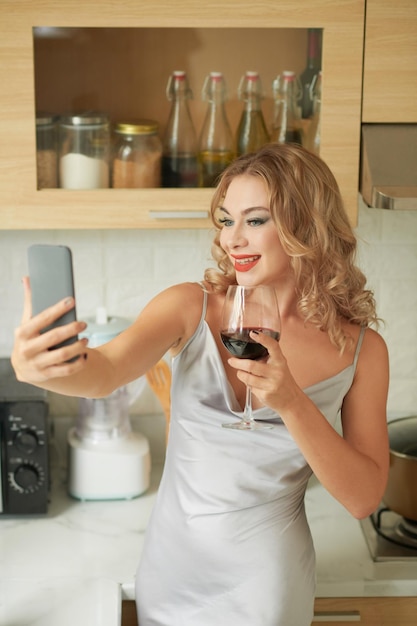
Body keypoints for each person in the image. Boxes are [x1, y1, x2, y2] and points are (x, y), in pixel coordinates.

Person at [12, 143, 389, 626]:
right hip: (172, 574)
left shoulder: (362, 351)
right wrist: (45, 365)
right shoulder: (191, 307)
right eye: (226, 219)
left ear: (305, 227)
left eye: (255, 220)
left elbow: (362, 499)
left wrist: (291, 401)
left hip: (266, 585)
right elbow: (104, 372)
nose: (233, 239)